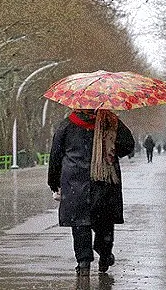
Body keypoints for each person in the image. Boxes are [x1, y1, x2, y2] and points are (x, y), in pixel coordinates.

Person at [48, 108, 135, 276]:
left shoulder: (67, 124)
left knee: (80, 222)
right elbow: (127, 146)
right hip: (104, 182)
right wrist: (109, 147)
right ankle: (104, 254)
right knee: (104, 221)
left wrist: (53, 182)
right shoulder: (111, 122)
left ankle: (83, 261)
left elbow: (56, 155)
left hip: (75, 182)